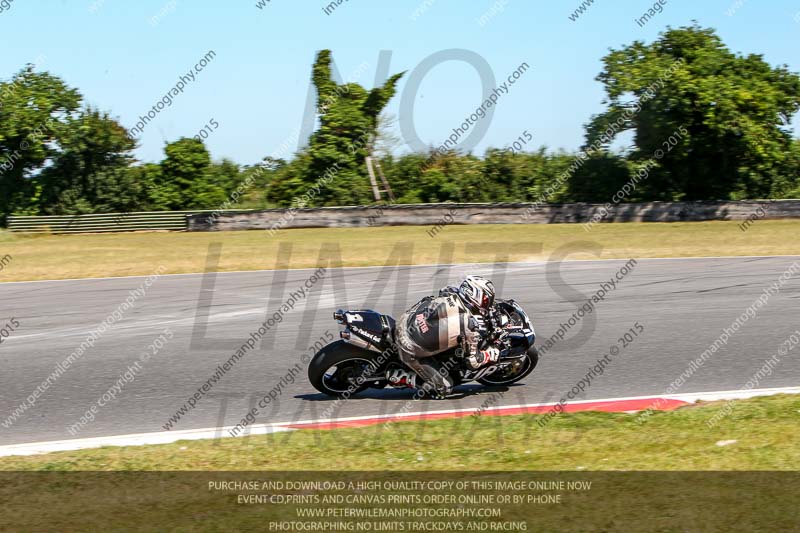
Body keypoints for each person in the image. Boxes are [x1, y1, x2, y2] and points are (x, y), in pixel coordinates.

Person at [388, 275, 500, 399]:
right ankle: (401, 377)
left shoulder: (450, 292)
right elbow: (473, 362)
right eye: (486, 300)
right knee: (445, 387)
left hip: (405, 320)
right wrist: (490, 354)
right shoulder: (469, 327)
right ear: (475, 296)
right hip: (407, 346)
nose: (488, 304)